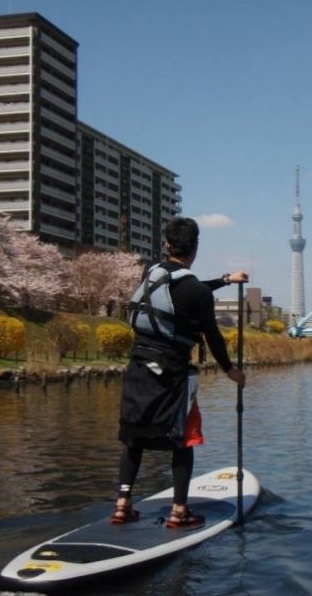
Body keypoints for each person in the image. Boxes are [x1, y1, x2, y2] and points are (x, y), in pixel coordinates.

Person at [112, 217, 246, 529]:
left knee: (134, 436)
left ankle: (122, 505)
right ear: (195, 248)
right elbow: (211, 334)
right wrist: (231, 371)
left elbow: (185, 289)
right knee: (182, 440)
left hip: (137, 368)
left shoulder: (150, 274)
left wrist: (225, 280)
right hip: (172, 375)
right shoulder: (197, 293)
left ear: (167, 245)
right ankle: (179, 511)